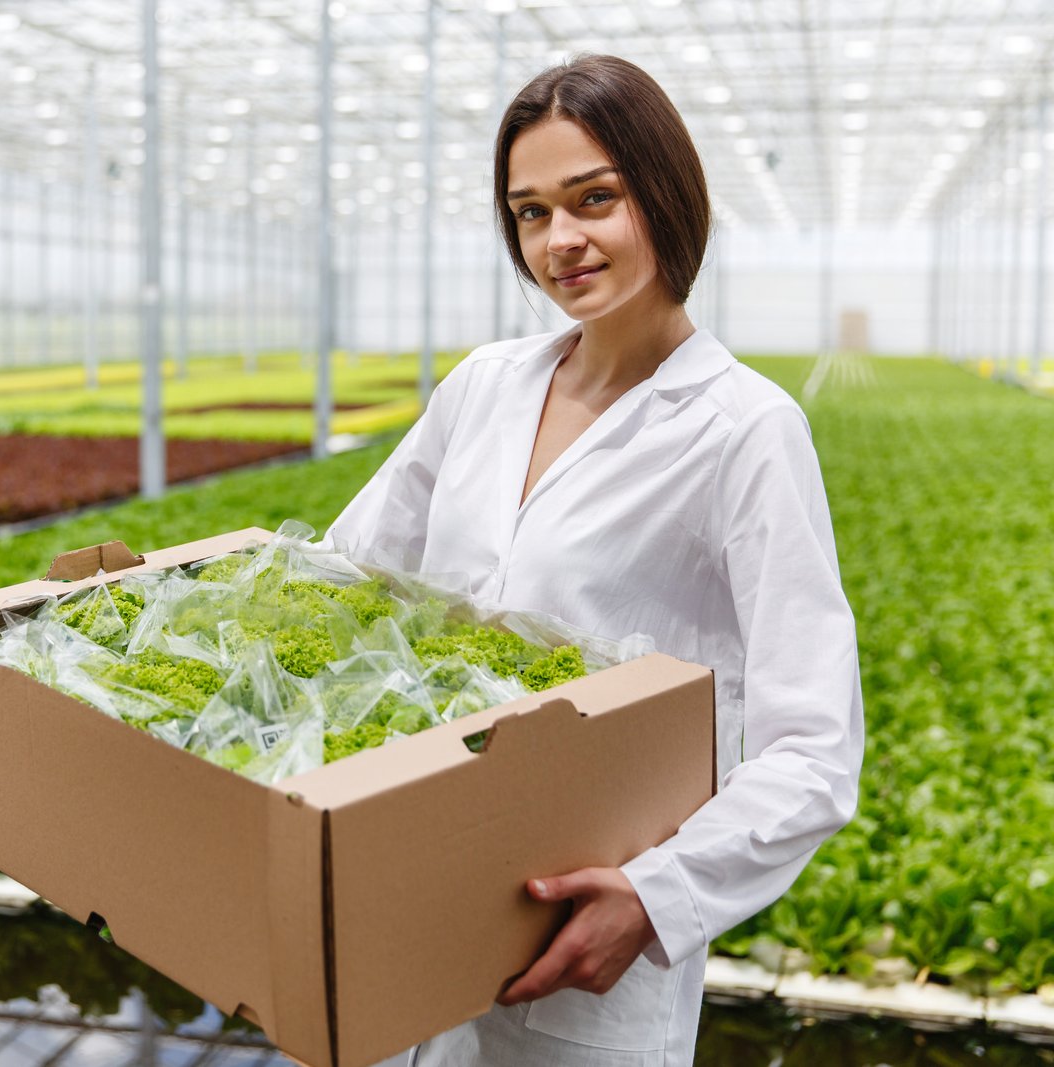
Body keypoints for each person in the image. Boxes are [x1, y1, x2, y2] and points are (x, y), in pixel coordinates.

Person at [322, 54, 864, 1066]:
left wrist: (656, 897)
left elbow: (814, 750)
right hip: (411, 896)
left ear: (664, 193)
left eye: (593, 199)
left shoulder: (743, 430)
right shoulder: (483, 387)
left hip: (583, 955)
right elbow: (344, 574)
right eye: (530, 213)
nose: (559, 240)